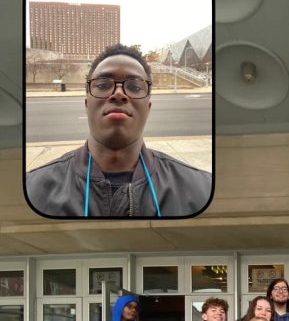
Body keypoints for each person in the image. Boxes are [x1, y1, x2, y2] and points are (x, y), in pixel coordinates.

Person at [25, 44, 212, 218]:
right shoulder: (33, 190)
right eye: (104, 85)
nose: (119, 94)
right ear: (86, 104)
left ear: (148, 108)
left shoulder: (200, 189)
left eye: (135, 86)